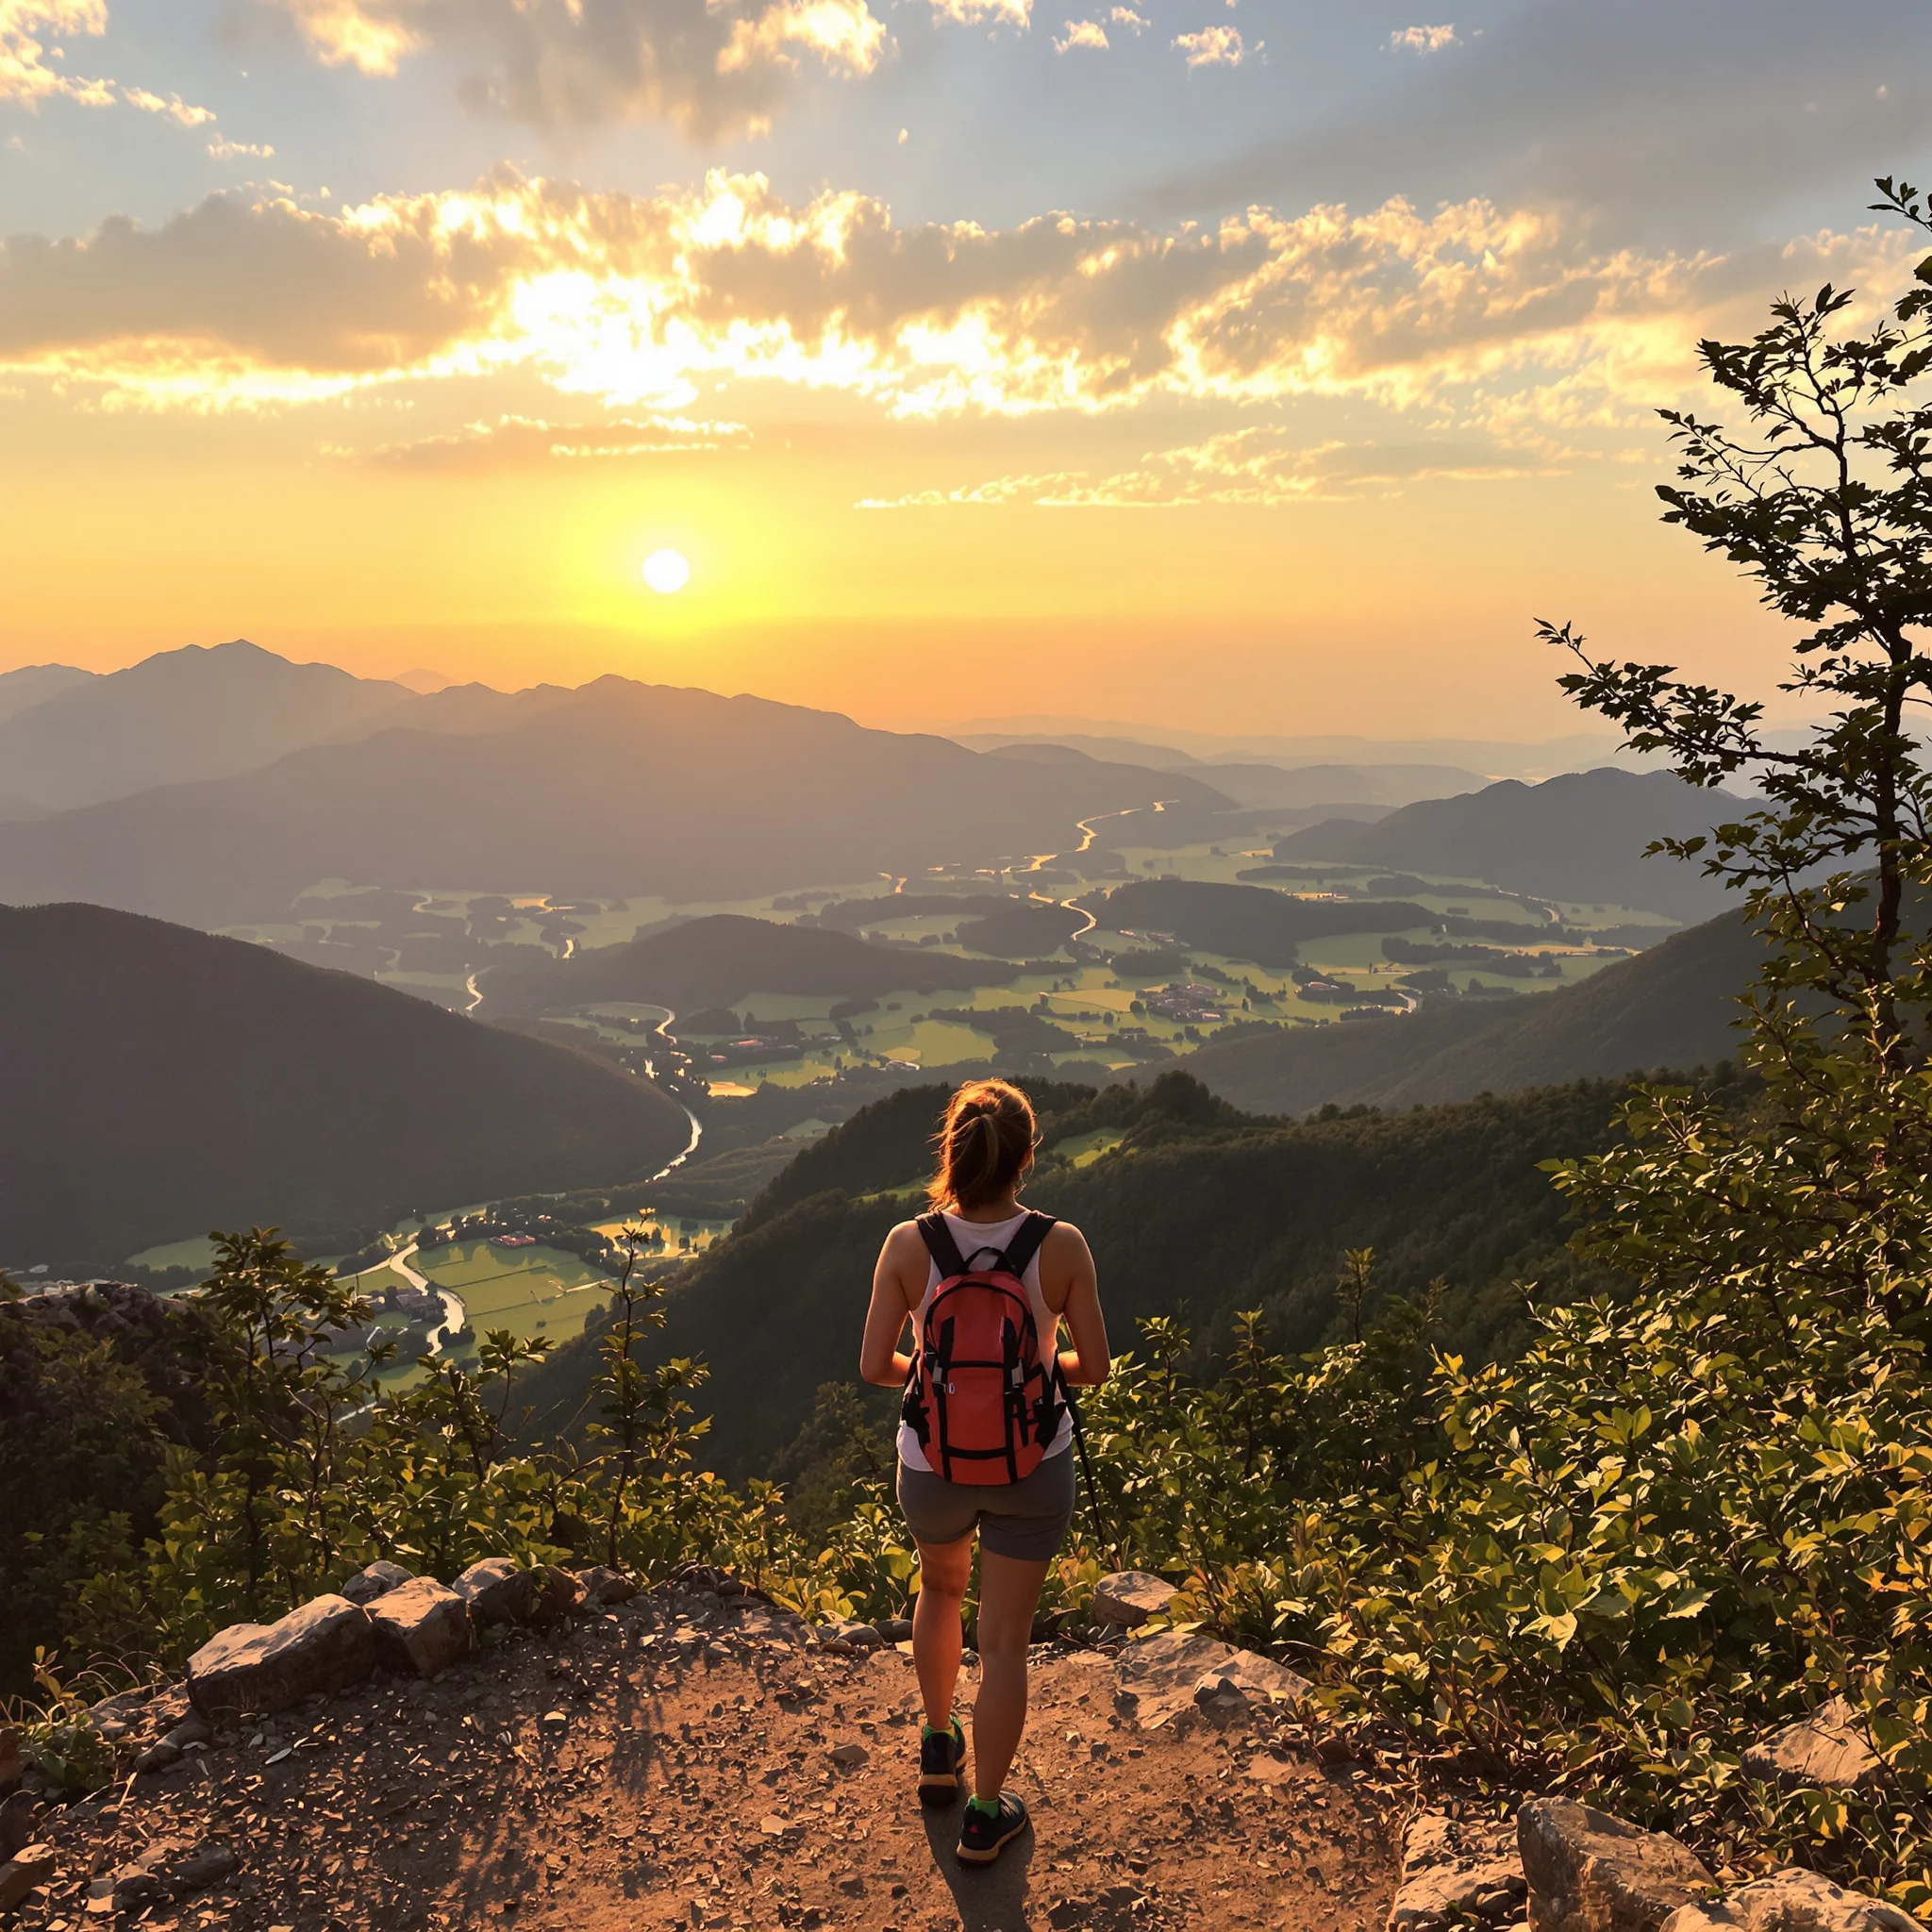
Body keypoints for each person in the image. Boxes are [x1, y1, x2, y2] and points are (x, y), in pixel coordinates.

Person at [859, 1078, 1110, 1866]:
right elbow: (1095, 1367)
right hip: (1032, 1464)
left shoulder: (909, 1244)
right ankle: (984, 1815)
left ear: (952, 1152)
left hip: (932, 1463)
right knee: (1003, 1642)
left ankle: (939, 1746)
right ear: (1027, 1156)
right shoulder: (1061, 1245)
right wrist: (1027, 1375)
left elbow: (875, 1365)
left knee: (938, 1591)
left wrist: (945, 1384)